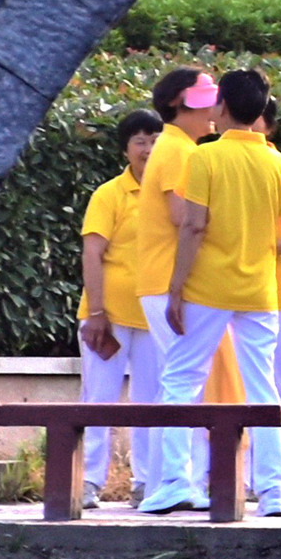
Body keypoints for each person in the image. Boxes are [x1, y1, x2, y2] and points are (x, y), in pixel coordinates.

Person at [154, 67, 281, 513]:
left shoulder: (205, 158)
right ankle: (273, 492)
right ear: (261, 110)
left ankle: (173, 480)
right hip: (261, 291)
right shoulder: (279, 165)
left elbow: (194, 225)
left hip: (207, 288)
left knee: (181, 379)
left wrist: (176, 286)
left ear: (220, 106)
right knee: (263, 388)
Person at [73, 111, 181, 507]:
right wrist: (97, 312)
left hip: (154, 317)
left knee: (152, 401)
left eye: (156, 139)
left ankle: (147, 484)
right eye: (140, 141)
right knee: (98, 400)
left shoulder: (173, 195)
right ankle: (85, 482)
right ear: (125, 149)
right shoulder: (109, 195)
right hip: (110, 317)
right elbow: (93, 252)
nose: (149, 149)